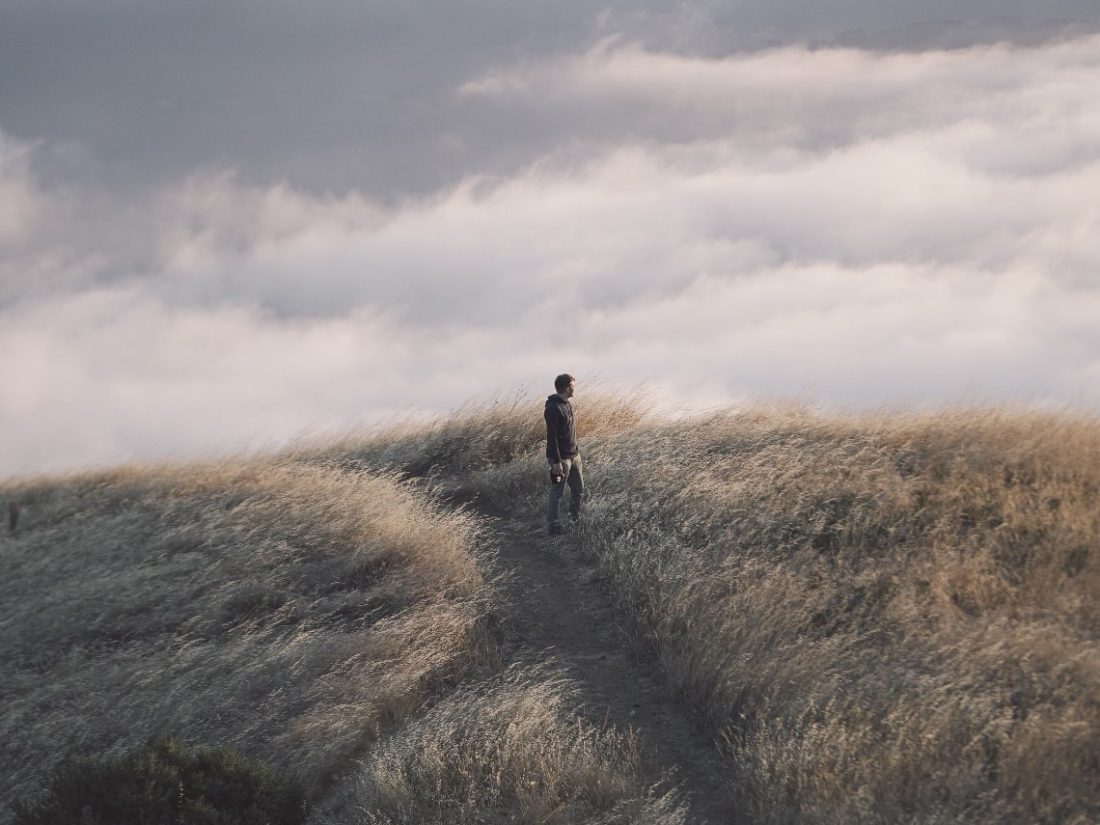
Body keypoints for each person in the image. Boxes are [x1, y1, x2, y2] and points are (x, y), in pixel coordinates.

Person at [545, 373, 583, 535]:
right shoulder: (553, 409)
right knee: (556, 492)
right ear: (567, 388)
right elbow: (551, 438)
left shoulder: (567, 403)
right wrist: (556, 463)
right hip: (561, 461)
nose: (575, 388)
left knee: (578, 490)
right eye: (573, 386)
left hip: (574, 457)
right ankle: (552, 526)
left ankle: (574, 521)